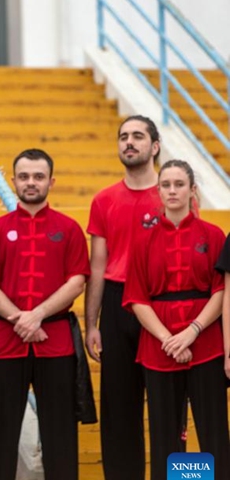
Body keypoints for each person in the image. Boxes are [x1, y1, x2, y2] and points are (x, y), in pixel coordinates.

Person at [0, 148, 89, 480]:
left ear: (51, 181)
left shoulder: (69, 229)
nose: (31, 182)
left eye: (39, 176)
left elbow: (77, 281)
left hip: (55, 340)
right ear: (13, 181)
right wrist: (19, 319)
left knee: (60, 431)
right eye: (24, 176)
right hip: (5, 341)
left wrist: (37, 315)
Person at [125, 160, 229, 480]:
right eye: (166, 185)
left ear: (192, 189)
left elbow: (221, 291)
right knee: (166, 436)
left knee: (213, 431)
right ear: (158, 191)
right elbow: (137, 298)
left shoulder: (213, 235)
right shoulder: (142, 240)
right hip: (159, 348)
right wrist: (169, 340)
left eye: (179, 184)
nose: (172, 191)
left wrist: (191, 332)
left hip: (206, 343)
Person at [84, 115, 163, 480]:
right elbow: (97, 266)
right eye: (123, 136)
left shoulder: (173, 191)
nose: (129, 142)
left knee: (167, 408)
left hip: (161, 304)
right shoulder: (104, 200)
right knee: (118, 410)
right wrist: (92, 324)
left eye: (138, 136)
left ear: (155, 146)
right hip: (118, 306)